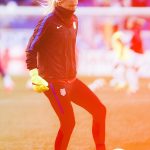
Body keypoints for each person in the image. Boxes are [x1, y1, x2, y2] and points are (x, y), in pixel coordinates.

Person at [26, 0, 106, 149]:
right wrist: (34, 74)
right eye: (70, 6)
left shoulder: (75, 19)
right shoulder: (48, 21)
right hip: (53, 82)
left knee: (100, 110)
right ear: (59, 3)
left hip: (71, 80)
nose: (73, 10)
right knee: (68, 123)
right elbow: (31, 48)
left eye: (75, 7)